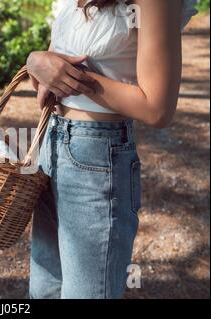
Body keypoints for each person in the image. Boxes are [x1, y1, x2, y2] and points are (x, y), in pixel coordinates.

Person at [26, 0, 198, 299]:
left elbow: (157, 108)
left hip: (96, 156)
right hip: (51, 144)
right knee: (44, 291)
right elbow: (52, 72)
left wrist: (74, 79)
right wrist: (35, 62)